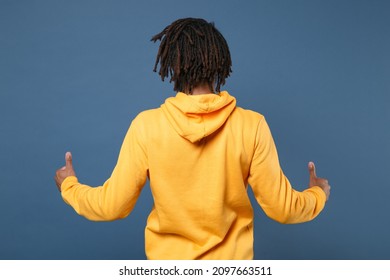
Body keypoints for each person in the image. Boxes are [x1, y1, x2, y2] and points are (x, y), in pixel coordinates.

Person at [55, 18, 330, 260]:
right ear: (220, 63)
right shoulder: (251, 126)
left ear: (173, 65)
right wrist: (318, 194)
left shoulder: (147, 126)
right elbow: (283, 209)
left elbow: (111, 206)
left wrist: (69, 186)